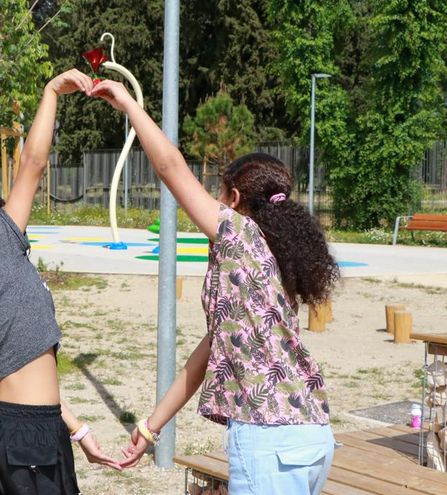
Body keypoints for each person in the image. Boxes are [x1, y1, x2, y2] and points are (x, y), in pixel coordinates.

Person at [90, 80, 341, 495]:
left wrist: (130, 106)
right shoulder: (281, 259)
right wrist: (150, 429)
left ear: (235, 197)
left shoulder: (240, 233)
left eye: (218, 194)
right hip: (312, 435)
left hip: (267, 440)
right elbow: (207, 355)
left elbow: (170, 166)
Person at [0, 69, 120, 495]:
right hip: (28, 447)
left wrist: (79, 431)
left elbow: (22, 370)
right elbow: (32, 164)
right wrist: (52, 91)